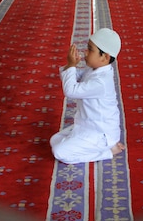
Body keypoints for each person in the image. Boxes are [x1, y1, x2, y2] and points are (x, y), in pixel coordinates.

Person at [50, 28, 126, 164]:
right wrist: (70, 65)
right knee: (54, 140)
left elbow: (71, 90)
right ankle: (98, 145)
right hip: (87, 126)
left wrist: (72, 65)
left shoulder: (101, 81)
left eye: (90, 49)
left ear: (105, 57)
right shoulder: (94, 69)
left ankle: (108, 151)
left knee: (59, 152)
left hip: (100, 134)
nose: (85, 52)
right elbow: (75, 78)